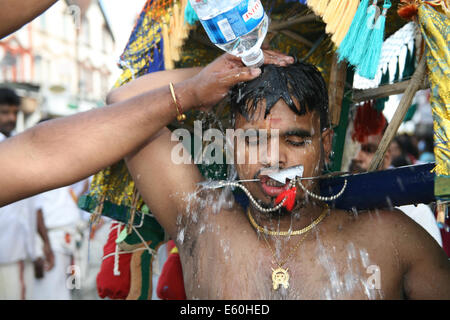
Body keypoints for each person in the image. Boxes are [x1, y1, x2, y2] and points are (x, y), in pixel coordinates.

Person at [106, 55, 450, 299]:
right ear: (231, 145)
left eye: (296, 140)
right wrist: (219, 77)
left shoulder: (393, 241)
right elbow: (123, 99)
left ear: (326, 144)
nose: (274, 159)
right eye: (254, 141)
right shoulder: (202, 222)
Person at [349, 123, 443, 248]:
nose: (356, 157)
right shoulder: (332, 204)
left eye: (367, 149)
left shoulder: (414, 213)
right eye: (351, 148)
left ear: (386, 158)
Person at [0, 88, 54, 299]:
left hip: (20, 249)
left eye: (15, 112)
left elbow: (35, 204)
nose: (11, 118)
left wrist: (43, 244)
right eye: (4, 112)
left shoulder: (20, 145)